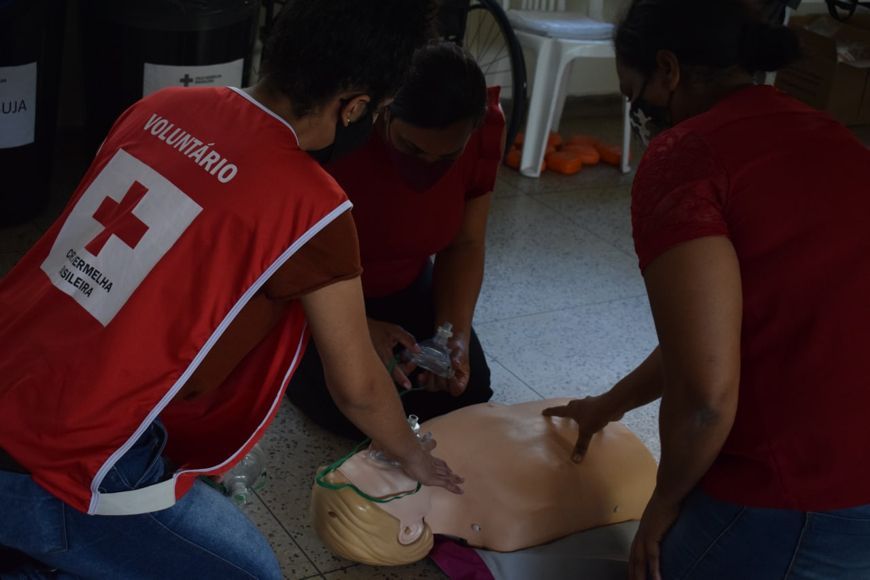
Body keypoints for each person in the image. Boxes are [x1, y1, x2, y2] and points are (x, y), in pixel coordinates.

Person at [0, 1, 465, 578]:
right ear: (355, 106)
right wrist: (413, 457)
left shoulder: (159, 107)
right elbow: (358, 388)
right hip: (62, 459)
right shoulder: (312, 204)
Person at [544, 0, 870, 579]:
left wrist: (664, 504)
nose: (636, 110)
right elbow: (713, 334)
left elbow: (706, 398)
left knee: (654, 563)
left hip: (805, 495)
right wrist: (610, 405)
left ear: (667, 70)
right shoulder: (824, 130)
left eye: (631, 93)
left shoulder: (685, 157)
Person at [288, 41, 506, 438]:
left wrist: (451, 333)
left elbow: (465, 244)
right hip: (311, 294)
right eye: (411, 148)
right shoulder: (335, 130)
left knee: (465, 393)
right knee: (356, 408)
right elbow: (282, 254)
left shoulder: (486, 130)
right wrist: (357, 327)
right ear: (384, 110)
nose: (426, 167)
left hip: (405, 283)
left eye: (446, 157)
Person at [311, 398, 657, 566]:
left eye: (364, 457)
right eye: (378, 476)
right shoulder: (504, 525)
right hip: (623, 459)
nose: (378, 456)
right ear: (409, 531)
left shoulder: (419, 445)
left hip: (583, 416)